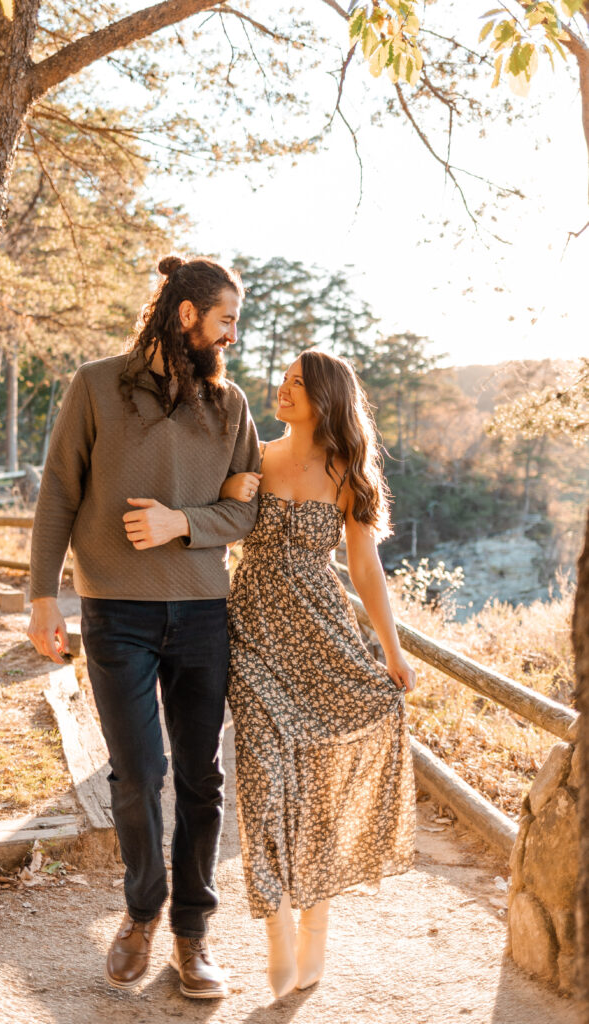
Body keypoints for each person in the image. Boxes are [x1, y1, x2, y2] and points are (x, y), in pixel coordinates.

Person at [27, 255, 259, 1000]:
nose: (232, 333)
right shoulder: (95, 384)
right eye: (225, 318)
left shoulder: (229, 407)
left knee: (200, 776)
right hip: (115, 612)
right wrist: (40, 598)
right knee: (138, 775)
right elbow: (59, 489)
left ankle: (193, 935)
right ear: (186, 314)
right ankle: (141, 912)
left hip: (201, 614)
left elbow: (246, 510)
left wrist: (179, 523)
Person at [219, 348, 416, 999]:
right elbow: (219, 525)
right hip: (252, 642)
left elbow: (363, 569)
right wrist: (227, 495)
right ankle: (275, 928)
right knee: (261, 786)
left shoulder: (345, 472)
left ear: (324, 397)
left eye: (296, 384)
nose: (282, 390)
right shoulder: (253, 452)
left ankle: (314, 928)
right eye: (281, 380)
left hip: (322, 643)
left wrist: (391, 651)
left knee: (317, 795)